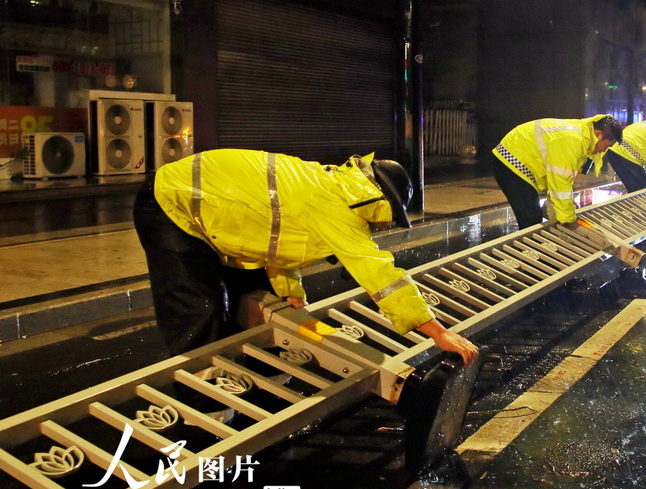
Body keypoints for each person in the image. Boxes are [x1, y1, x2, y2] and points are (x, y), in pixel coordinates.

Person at [133, 149, 479, 367]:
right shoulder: (337, 205)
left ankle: (248, 375)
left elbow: (277, 237)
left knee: (255, 299)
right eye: (391, 215)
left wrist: (291, 293)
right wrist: (436, 332)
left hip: (212, 210)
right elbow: (378, 272)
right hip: (170, 203)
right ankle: (202, 415)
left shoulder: (329, 185)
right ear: (381, 200)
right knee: (199, 309)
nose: (386, 224)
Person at [491, 114, 623, 228]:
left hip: (517, 159)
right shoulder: (573, 140)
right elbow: (560, 182)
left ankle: (530, 252)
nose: (603, 151)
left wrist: (561, 210)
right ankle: (525, 254)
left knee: (532, 215)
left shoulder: (582, 137)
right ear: (599, 135)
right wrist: (567, 218)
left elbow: (561, 182)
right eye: (606, 146)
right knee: (530, 219)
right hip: (512, 161)